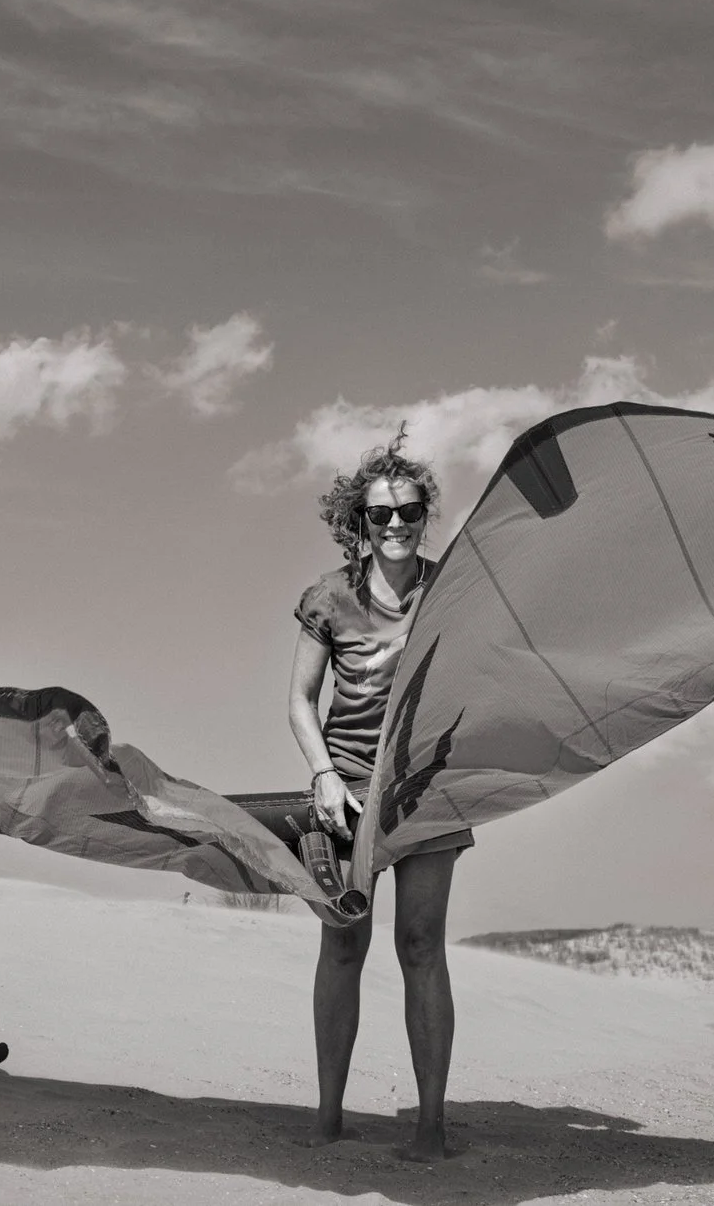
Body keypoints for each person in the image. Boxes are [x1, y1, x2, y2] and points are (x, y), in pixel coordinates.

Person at [287, 434, 472, 1162]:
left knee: (421, 946)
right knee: (343, 944)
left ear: (426, 515)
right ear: (357, 522)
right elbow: (300, 700)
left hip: (428, 790)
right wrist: (323, 774)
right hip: (346, 792)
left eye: (409, 511)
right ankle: (328, 1117)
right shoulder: (329, 597)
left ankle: (431, 1126)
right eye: (380, 515)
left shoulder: (454, 588)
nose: (396, 525)